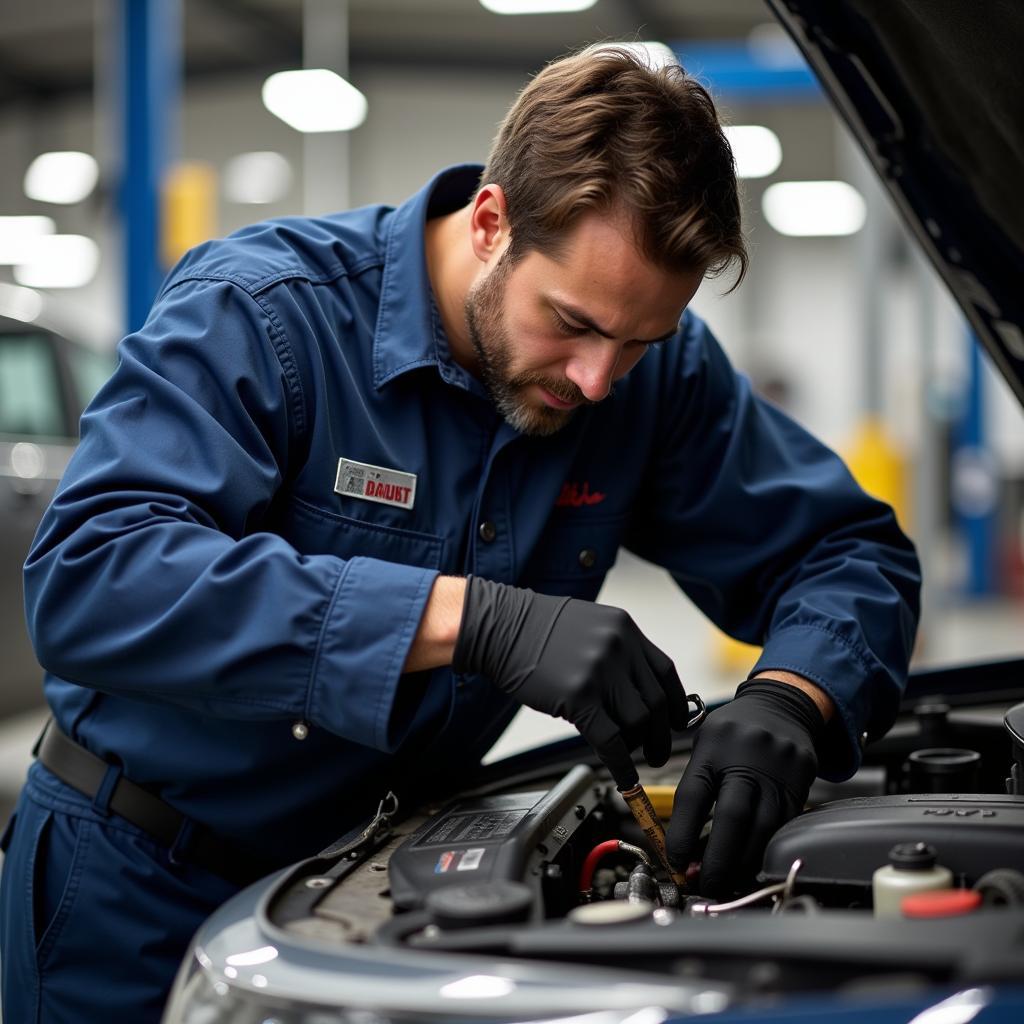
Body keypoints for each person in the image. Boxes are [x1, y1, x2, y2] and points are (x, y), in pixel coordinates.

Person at [0, 45, 920, 1021]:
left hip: (382, 899)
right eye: (569, 321)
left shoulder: (652, 376)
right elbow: (92, 575)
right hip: (140, 890)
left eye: (637, 340)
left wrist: (793, 696)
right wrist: (470, 619)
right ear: (491, 222)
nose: (599, 379)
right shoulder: (267, 316)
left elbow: (848, 552)